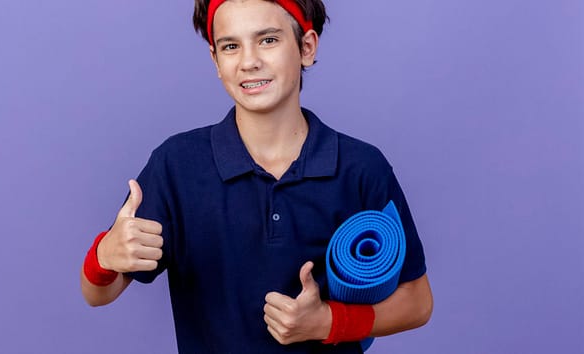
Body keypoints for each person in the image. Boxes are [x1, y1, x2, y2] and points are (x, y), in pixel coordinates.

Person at [80, 0, 433, 353]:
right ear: (216, 61)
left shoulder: (361, 167)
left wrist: (329, 322)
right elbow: (97, 293)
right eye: (231, 46)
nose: (249, 61)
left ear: (306, 48)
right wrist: (104, 257)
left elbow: (417, 302)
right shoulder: (176, 165)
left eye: (268, 40)